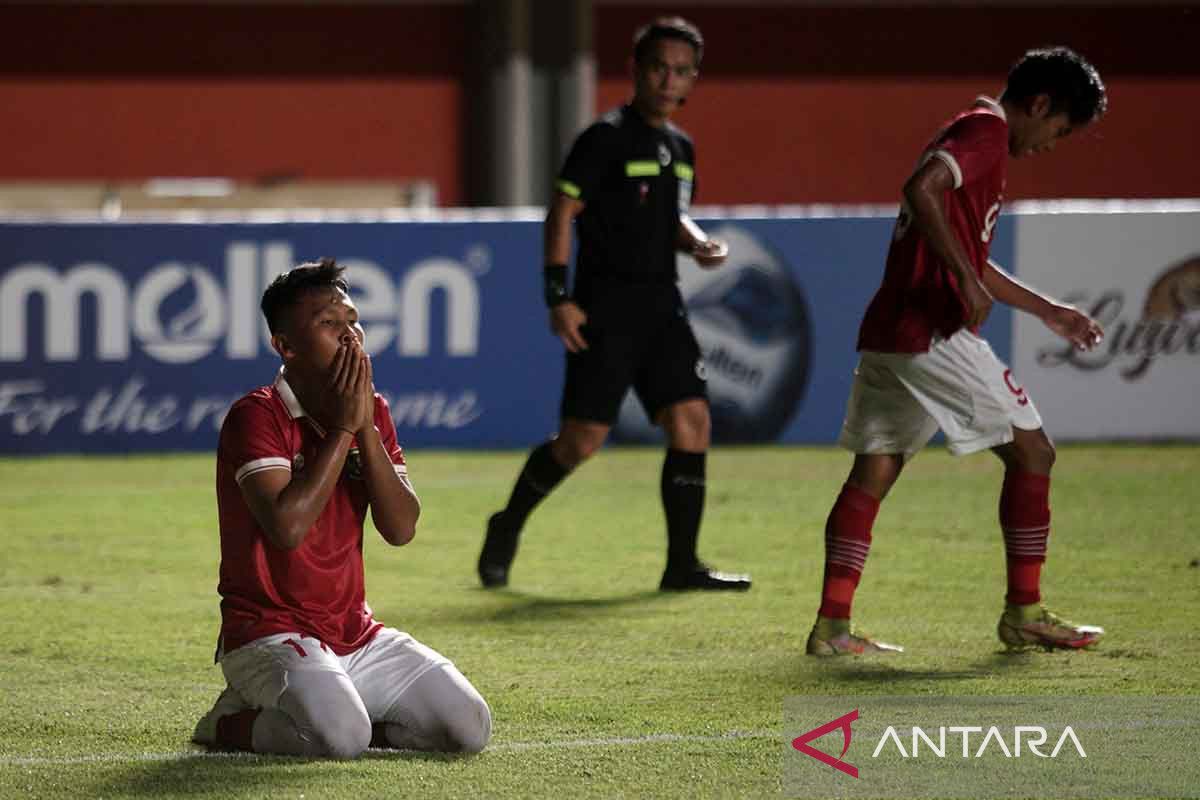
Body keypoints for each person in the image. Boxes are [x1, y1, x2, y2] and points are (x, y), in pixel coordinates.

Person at [806, 47, 1109, 656]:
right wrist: (964, 282)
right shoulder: (987, 132)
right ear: (1040, 104)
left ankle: (832, 627)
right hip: (931, 329)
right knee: (1033, 452)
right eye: (1059, 129)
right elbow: (922, 189)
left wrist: (1046, 309)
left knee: (876, 467)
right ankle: (1024, 612)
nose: (1053, 143)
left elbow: (963, 246)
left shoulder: (968, 128)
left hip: (892, 329)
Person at [477, 17, 751, 592]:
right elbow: (561, 214)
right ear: (636, 70)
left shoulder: (681, 147)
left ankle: (682, 565)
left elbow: (670, 213)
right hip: (606, 310)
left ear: (692, 79)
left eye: (681, 71)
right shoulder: (603, 138)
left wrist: (697, 242)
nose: (668, 80)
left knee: (691, 420)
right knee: (581, 442)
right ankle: (507, 523)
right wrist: (559, 297)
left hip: (664, 307)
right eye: (659, 67)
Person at [193, 258, 491, 756]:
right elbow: (286, 528)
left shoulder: (372, 411)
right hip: (268, 632)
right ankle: (227, 722)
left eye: (354, 322)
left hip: (354, 630)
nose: (351, 336)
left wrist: (364, 427)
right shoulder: (257, 414)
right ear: (285, 346)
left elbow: (400, 529)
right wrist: (342, 430)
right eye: (330, 324)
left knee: (468, 729)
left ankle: (337, 705)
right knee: (339, 737)